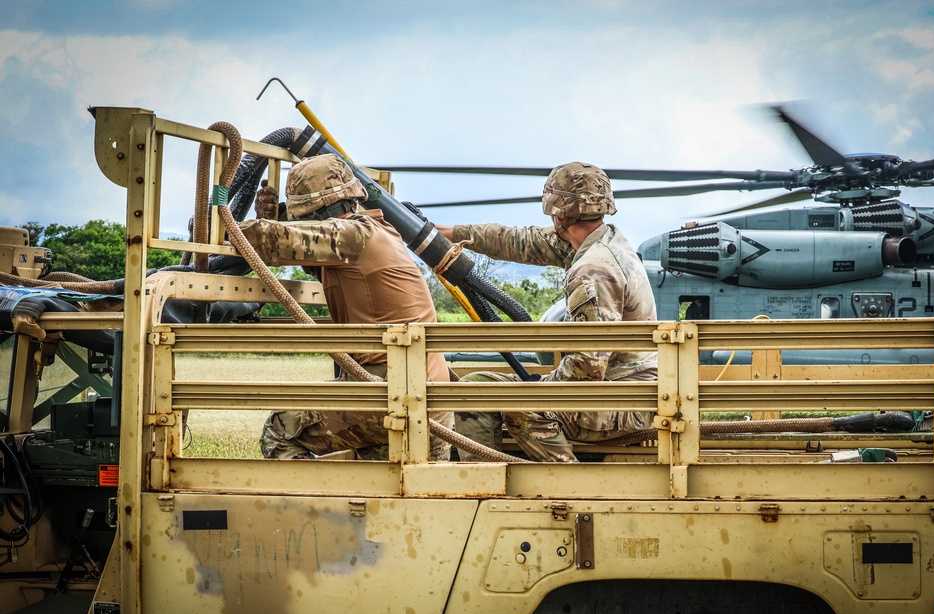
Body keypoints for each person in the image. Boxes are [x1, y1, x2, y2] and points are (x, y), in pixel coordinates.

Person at [435, 161, 657, 462]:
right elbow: (517, 240)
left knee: (522, 405)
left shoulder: (593, 269)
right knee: (476, 389)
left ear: (559, 213)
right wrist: (447, 233)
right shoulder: (597, 240)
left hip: (624, 400)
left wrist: (541, 387)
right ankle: (484, 482)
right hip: (616, 390)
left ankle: (568, 489)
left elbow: (587, 369)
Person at [245, 153, 452, 461]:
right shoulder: (378, 233)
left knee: (281, 428)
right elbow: (313, 260)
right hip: (421, 397)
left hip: (392, 390)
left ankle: (313, 508)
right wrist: (278, 220)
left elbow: (257, 238)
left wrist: (223, 220)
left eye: (300, 216)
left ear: (315, 212)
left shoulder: (351, 236)